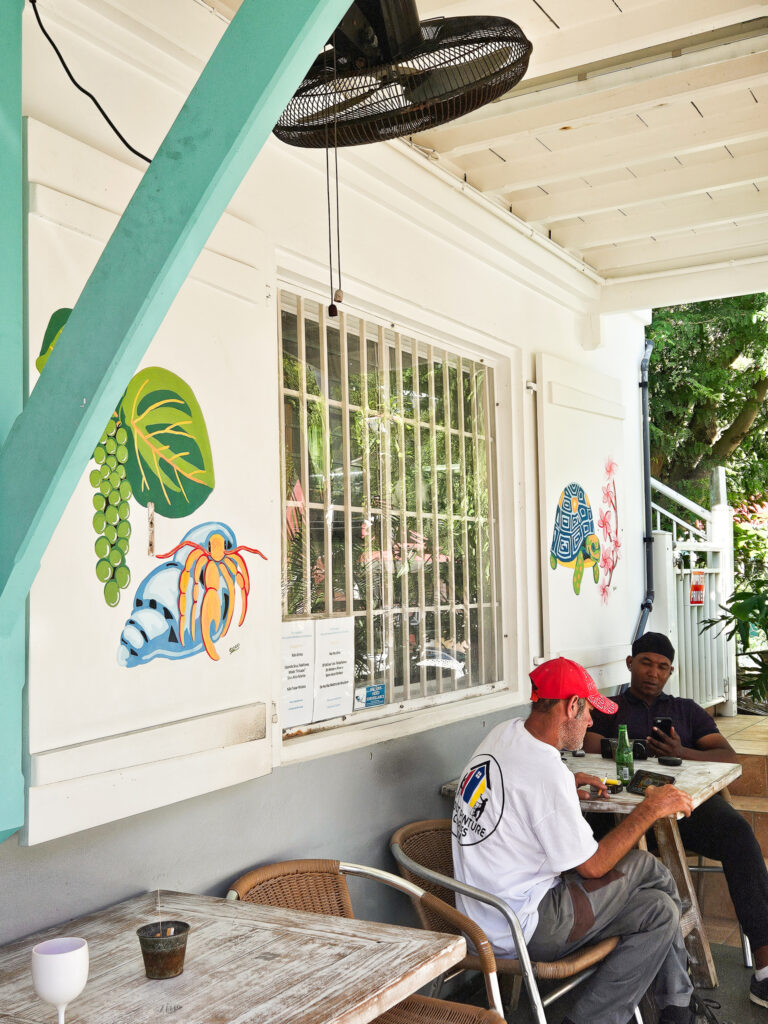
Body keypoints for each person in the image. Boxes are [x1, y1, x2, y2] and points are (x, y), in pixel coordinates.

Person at [452, 656, 697, 1024]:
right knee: (648, 866)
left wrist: (567, 782)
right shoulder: (546, 772)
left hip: (479, 915)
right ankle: (680, 998)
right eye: (587, 711)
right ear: (571, 705)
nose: (591, 721)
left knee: (660, 909)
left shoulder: (504, 734)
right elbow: (593, 866)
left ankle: (674, 1010)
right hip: (524, 925)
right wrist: (649, 809)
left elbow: (526, 785)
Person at [585, 631, 768, 1011]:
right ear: (630, 664)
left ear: (671, 672)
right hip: (619, 816)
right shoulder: (608, 707)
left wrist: (680, 752)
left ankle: (766, 967)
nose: (653, 672)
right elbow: (583, 740)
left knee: (738, 834)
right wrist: (625, 748)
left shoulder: (686, 710)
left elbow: (728, 757)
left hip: (684, 810)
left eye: (663, 667)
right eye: (646, 663)